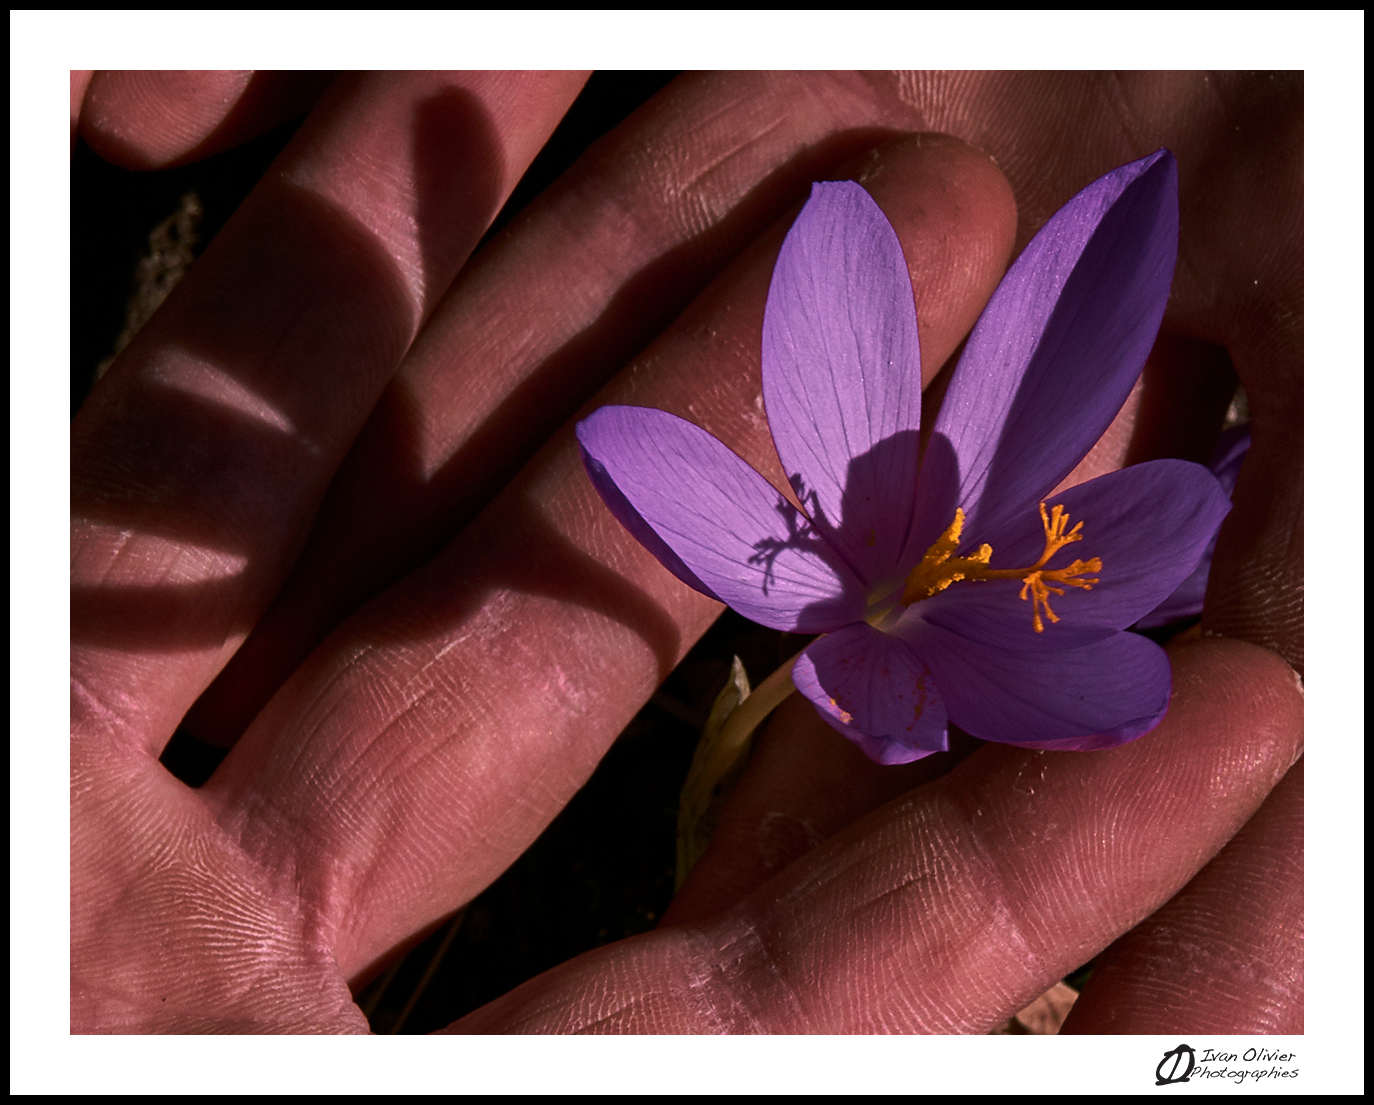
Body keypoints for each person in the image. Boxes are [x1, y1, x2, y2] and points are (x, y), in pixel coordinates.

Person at [70, 70, 1302, 1034]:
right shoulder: (849, 627)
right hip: (827, 588)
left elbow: (1095, 684)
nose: (954, 567)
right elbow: (659, 457)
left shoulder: (945, 648)